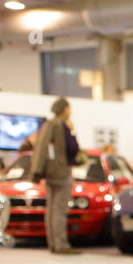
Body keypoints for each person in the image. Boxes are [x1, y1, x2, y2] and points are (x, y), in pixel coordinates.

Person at [30, 98, 82, 254]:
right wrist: (73, 132)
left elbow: (39, 151)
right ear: (64, 109)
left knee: (51, 209)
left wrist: (37, 171)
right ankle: (61, 244)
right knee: (59, 209)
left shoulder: (47, 125)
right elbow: (73, 149)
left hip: (49, 173)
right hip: (61, 172)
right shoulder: (62, 125)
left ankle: (52, 243)